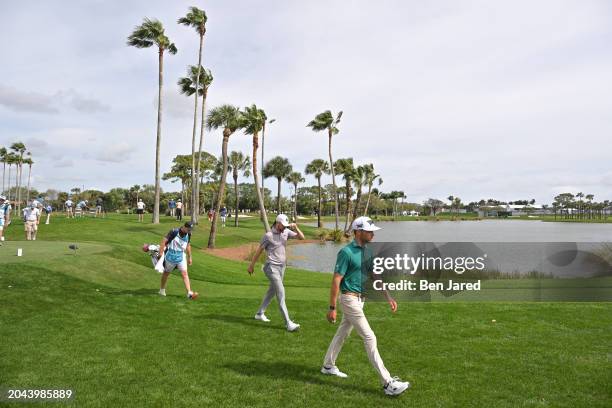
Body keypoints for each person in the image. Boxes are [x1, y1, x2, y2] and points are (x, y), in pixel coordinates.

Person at [320, 216, 410, 396]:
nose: (373, 234)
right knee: (370, 337)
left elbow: (375, 275)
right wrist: (332, 308)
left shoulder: (368, 252)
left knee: (342, 333)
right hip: (349, 299)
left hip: (360, 301)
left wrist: (388, 296)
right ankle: (388, 383)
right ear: (358, 231)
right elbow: (336, 280)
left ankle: (328, 365)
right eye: (370, 231)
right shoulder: (346, 253)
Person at [248, 214, 304, 332]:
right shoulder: (268, 236)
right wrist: (251, 265)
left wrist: (295, 227)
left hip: (282, 267)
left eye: (285, 226)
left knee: (271, 291)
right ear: (277, 223)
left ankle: (259, 313)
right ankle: (288, 323)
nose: (284, 227)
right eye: (283, 225)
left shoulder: (286, 232)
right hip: (271, 267)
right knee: (280, 292)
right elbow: (259, 251)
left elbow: (301, 237)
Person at [158, 222, 198, 300]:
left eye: (191, 230)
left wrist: (190, 257)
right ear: (184, 227)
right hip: (171, 256)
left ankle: (189, 293)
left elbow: (188, 245)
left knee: (184, 273)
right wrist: (160, 253)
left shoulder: (189, 234)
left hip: (181, 256)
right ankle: (162, 290)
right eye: (189, 229)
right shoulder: (174, 232)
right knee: (166, 273)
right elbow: (164, 241)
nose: (190, 231)